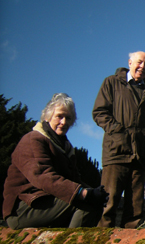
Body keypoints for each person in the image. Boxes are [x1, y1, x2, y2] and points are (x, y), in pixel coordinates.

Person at [3, 93, 108, 229]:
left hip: (48, 203)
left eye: (68, 118)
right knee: (85, 206)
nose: (64, 122)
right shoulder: (33, 139)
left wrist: (94, 192)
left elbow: (74, 180)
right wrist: (83, 193)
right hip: (24, 207)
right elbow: (42, 176)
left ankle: (66, 241)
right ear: (48, 117)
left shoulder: (65, 148)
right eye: (59, 116)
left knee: (95, 205)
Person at [93, 51, 145, 228]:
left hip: (140, 154)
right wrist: (119, 133)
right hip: (116, 151)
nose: (143, 67)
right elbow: (99, 112)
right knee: (109, 202)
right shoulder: (112, 82)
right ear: (130, 62)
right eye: (139, 62)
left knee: (135, 209)